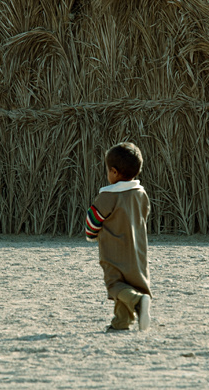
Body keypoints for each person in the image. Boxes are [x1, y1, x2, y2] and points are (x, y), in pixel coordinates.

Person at [84, 141, 151, 332]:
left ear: (113, 172)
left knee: (115, 284)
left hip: (113, 250)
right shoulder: (141, 193)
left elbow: (93, 219)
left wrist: (91, 235)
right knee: (130, 284)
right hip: (137, 250)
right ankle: (121, 322)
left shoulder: (108, 196)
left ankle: (138, 302)